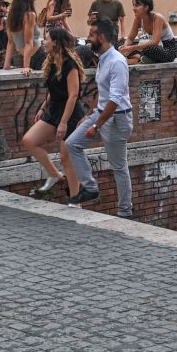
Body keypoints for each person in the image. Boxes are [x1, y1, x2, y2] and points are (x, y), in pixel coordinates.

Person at [66, 18, 134, 216]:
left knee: (119, 167)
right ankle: (90, 187)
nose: (88, 39)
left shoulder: (117, 62)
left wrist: (96, 126)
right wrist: (89, 115)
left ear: (102, 37)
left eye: (91, 35)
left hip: (117, 119)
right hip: (101, 114)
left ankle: (125, 211)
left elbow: (114, 100)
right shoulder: (103, 58)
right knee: (72, 143)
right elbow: (103, 94)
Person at [22, 26, 88, 198]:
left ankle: (76, 200)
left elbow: (73, 95)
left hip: (71, 113)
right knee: (29, 140)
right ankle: (53, 174)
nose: (44, 42)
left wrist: (64, 122)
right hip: (54, 109)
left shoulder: (70, 64)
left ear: (56, 42)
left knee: (67, 159)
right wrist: (43, 106)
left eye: (47, 39)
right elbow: (55, 89)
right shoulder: (51, 61)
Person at [120, 0, 177, 64]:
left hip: (168, 51)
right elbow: (130, 38)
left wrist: (131, 48)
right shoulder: (138, 19)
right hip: (149, 50)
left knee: (149, 49)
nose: (134, 8)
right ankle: (144, 59)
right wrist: (125, 46)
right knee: (119, 47)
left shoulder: (158, 18)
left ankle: (140, 58)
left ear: (146, 7)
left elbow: (155, 42)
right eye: (133, 5)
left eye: (137, 5)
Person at [4, 0, 44, 73]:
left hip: (31, 56)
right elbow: (28, 42)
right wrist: (26, 66)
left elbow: (11, 42)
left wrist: (6, 65)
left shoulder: (10, 16)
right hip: (37, 55)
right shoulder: (29, 15)